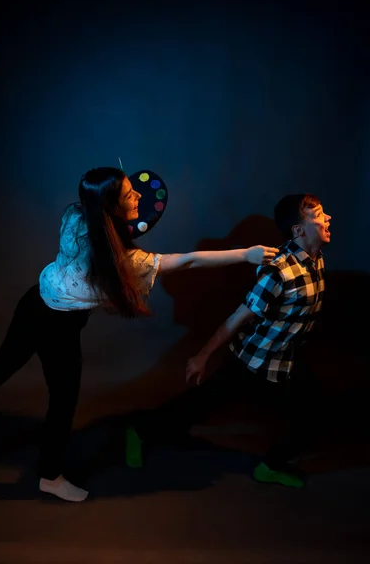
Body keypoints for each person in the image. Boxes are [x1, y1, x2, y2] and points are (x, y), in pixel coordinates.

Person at [0, 167, 278, 502]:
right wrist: (244, 254)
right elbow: (187, 262)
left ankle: (46, 470)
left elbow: (105, 226)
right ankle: (49, 477)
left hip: (33, 303)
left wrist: (122, 217)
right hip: (57, 326)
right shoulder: (124, 262)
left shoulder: (75, 215)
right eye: (130, 195)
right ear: (111, 207)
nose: (138, 198)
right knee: (62, 400)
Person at [131, 193, 330, 488]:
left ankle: (270, 466)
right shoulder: (278, 271)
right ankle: (139, 431)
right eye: (319, 216)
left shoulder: (316, 259)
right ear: (298, 230)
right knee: (199, 405)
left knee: (316, 413)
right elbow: (238, 317)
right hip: (253, 361)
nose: (328, 218)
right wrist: (202, 356)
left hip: (285, 360)